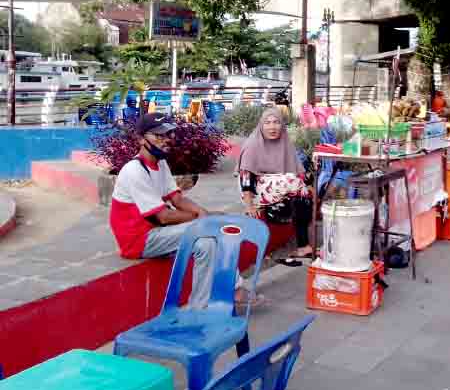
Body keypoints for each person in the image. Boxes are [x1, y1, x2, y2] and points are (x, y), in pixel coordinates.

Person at [109, 113, 237, 309]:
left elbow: (176, 199)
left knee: (206, 244)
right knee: (210, 229)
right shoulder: (134, 170)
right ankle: (233, 290)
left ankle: (199, 307)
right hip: (139, 240)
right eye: (158, 135)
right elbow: (163, 216)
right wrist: (204, 218)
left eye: (168, 135)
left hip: (155, 232)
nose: (166, 140)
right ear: (141, 139)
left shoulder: (159, 164)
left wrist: (202, 212)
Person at [238, 107, 313, 267]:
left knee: (304, 197)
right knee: (295, 184)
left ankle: (303, 246)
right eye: (268, 123)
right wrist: (249, 205)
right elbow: (246, 176)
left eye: (276, 122)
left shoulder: (285, 143)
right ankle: (277, 217)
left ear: (282, 125)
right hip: (253, 190)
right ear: (261, 125)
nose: (272, 127)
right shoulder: (253, 144)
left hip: (280, 188)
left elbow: (298, 171)